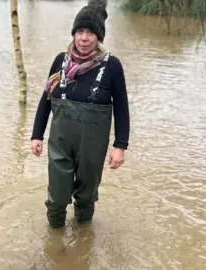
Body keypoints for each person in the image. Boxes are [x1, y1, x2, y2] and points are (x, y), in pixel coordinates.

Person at [30, 0, 130, 228]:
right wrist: (37, 135)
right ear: (74, 34)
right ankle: (55, 242)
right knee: (56, 196)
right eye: (80, 31)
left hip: (92, 146)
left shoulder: (112, 66)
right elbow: (46, 99)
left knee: (86, 196)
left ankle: (82, 236)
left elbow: (122, 107)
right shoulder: (60, 61)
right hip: (60, 142)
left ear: (99, 37)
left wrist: (120, 146)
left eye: (91, 33)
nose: (84, 38)